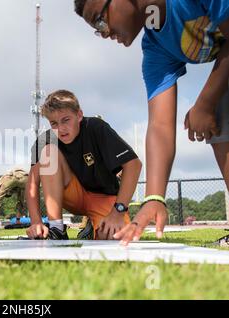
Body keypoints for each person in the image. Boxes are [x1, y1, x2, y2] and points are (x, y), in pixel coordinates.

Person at [73, 0, 229, 244]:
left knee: (214, 103)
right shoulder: (156, 46)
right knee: (219, 112)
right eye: (97, 28)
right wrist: (154, 197)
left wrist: (205, 103)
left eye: (100, 20)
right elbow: (160, 125)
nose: (104, 33)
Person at [26, 90, 142, 240]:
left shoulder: (96, 127)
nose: (60, 129)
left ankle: (91, 228)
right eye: (54, 123)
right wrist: (36, 222)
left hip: (104, 197)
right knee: (48, 152)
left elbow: (133, 165)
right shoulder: (45, 139)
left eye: (66, 120)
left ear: (79, 115)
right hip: (72, 196)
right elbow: (32, 184)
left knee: (113, 237)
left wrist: (118, 212)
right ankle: (57, 229)